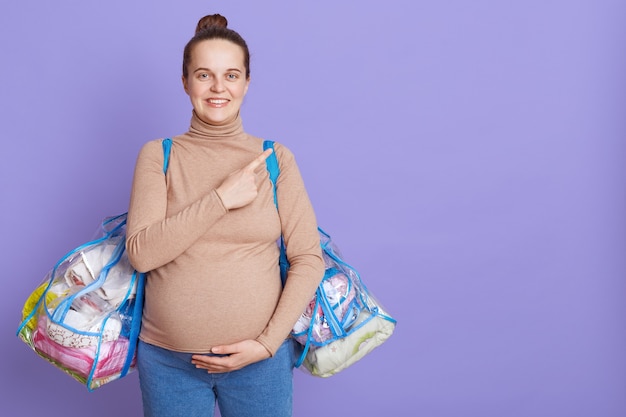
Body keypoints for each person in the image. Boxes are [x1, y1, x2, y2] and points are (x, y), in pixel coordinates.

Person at [125, 13, 325, 417]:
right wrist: (220, 198)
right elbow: (142, 254)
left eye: (231, 75)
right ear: (185, 82)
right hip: (168, 363)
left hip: (260, 364)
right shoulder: (159, 155)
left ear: (247, 82)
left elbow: (308, 258)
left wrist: (267, 344)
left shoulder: (275, 159)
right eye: (204, 75)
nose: (219, 88)